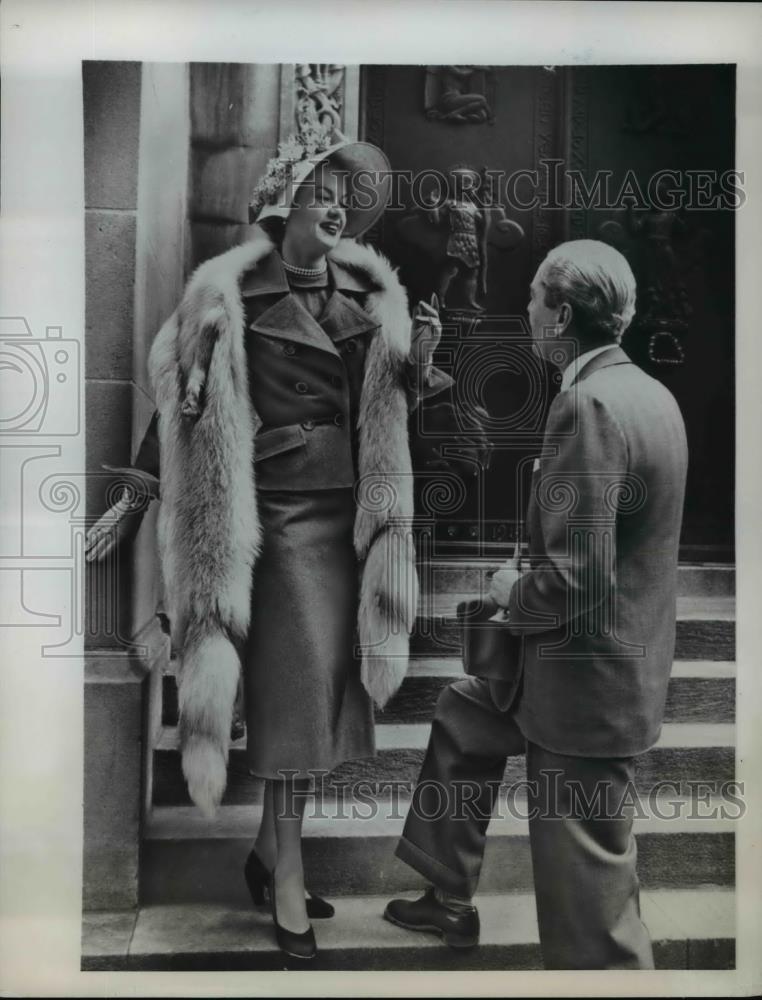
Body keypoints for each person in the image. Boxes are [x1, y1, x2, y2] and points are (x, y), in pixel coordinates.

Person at [85, 126, 452, 961]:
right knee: (290, 715)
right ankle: (287, 876)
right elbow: (185, 407)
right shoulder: (228, 300)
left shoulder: (367, 303)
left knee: (319, 708)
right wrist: (139, 495)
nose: (337, 207)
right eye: (322, 192)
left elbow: (386, 412)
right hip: (274, 524)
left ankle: (263, 855)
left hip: (346, 523)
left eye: (347, 199)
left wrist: (417, 361)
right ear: (286, 200)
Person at [384, 239, 689, 969]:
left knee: (592, 913)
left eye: (531, 297)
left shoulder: (588, 403)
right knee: (464, 715)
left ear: (559, 316)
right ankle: (449, 897)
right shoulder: (650, 393)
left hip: (583, 688)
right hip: (586, 666)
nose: (523, 308)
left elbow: (578, 581)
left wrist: (507, 591)